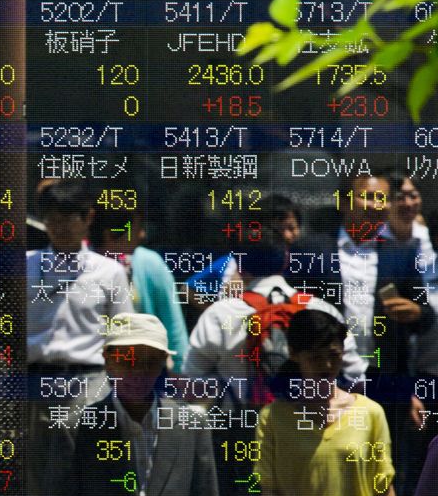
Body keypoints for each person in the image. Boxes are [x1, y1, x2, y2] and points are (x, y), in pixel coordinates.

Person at [183, 202, 366, 496]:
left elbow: (191, 383)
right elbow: (356, 377)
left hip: (241, 434)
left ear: (240, 264)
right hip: (315, 429)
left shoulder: (221, 313)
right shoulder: (321, 309)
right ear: (285, 260)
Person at [291, 174, 435, 492]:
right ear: (344, 203)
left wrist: (415, 312)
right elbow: (291, 309)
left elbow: (425, 317)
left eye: (382, 199)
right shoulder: (312, 249)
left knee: (386, 468)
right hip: (324, 375)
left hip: (385, 378)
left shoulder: (401, 253)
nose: (376, 206)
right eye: (368, 198)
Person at [26, 181, 134, 495]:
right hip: (36, 383)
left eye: (67, 218)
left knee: (90, 476)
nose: (58, 226)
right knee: (38, 476)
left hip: (91, 383)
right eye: (51, 218)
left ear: (88, 218)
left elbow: (123, 331)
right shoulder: (26, 265)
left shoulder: (109, 271)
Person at [69, 312, 218, 496]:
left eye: (150, 363)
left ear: (163, 362)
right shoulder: (76, 428)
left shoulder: (192, 424)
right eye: (127, 363)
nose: (139, 373)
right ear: (108, 361)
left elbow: (205, 489)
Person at [256, 309, 395, 495]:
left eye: (334, 356)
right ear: (293, 354)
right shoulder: (272, 417)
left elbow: (383, 485)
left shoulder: (370, 413)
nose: (327, 365)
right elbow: (268, 488)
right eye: (315, 358)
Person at [381, 172, 438, 493]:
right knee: (408, 460)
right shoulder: (371, 248)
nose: (407, 202)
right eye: (398, 196)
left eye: (412, 194)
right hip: (408, 373)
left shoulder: (428, 241)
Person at [89, 207, 188, 369]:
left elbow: (173, 323)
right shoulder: (80, 266)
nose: (142, 235)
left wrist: (179, 368)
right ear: (110, 234)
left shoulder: (150, 263)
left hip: (144, 372)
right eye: (136, 229)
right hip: (96, 369)